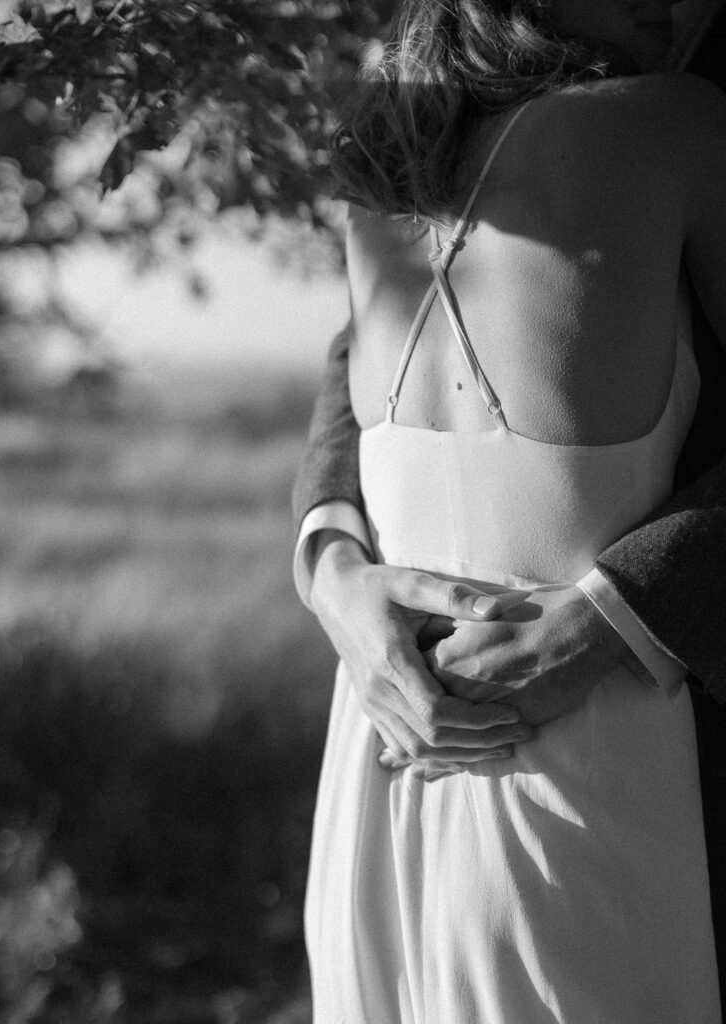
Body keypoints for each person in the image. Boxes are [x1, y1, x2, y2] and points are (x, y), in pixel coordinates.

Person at [294, 1, 726, 1021]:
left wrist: (332, 566)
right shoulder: (672, 122)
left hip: (379, 767)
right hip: (588, 767)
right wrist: (332, 568)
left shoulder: (383, 153)